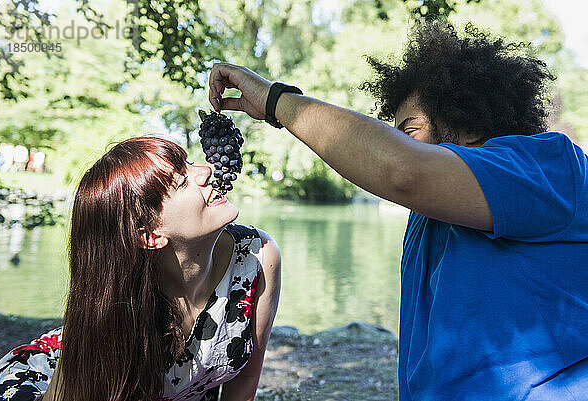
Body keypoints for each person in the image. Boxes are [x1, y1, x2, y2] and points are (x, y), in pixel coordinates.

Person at [206, 22, 588, 400]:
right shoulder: (428, 217)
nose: (398, 145)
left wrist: (275, 102)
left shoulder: (549, 166)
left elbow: (401, 170)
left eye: (410, 131)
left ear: (467, 124)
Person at [0, 136, 281, 401]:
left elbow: (244, 381)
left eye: (189, 163)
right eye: (181, 181)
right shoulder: (111, 309)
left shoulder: (257, 257)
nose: (206, 170)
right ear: (150, 235)